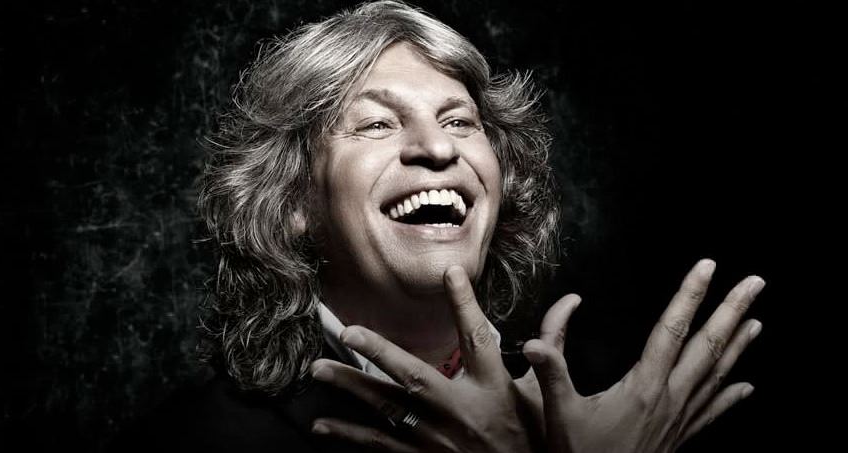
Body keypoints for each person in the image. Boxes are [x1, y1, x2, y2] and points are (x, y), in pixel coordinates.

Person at [111, 2, 764, 452]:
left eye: (459, 121)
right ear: (294, 201)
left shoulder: (615, 412)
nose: (438, 147)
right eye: (376, 123)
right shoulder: (200, 439)